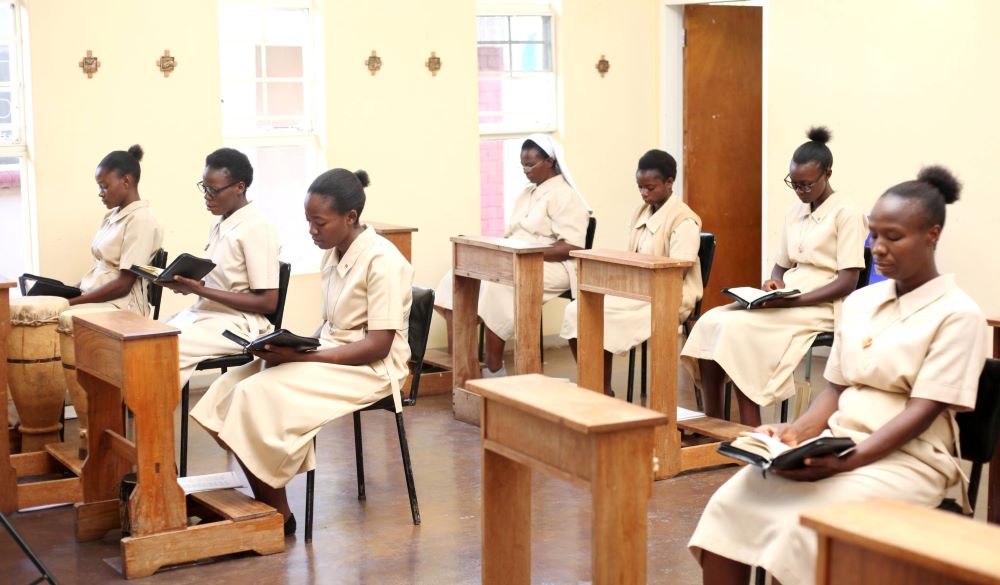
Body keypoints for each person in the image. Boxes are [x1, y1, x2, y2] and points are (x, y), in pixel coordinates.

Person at [689, 166, 987, 585]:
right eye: (874, 235)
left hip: (909, 460)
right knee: (731, 502)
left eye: (893, 237)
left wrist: (845, 463)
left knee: (801, 527)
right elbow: (836, 387)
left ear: (932, 235)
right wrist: (797, 434)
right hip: (840, 444)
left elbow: (921, 412)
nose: (878, 248)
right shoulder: (863, 303)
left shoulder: (958, 315)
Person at [191, 168, 414, 536]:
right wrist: (292, 344)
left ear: (350, 217)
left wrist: (301, 357)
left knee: (255, 393)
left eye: (319, 223)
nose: (312, 231)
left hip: (372, 368)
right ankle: (264, 500)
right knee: (226, 389)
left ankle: (280, 514)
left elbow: (378, 345)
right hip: (335, 351)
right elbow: (332, 324)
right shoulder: (335, 250)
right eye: (308, 221)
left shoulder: (382, 261)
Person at [680, 127, 868, 426]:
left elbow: (848, 282)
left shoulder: (846, 213)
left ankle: (749, 426)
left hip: (821, 306)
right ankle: (714, 423)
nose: (800, 190)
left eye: (806, 184)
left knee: (740, 330)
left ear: (827, 175)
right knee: (711, 321)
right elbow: (780, 267)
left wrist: (792, 303)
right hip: (788, 297)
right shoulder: (794, 212)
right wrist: (774, 285)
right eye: (794, 184)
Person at [434, 133, 591, 376]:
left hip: (552, 264)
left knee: (499, 288)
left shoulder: (565, 196)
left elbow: (571, 247)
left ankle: (494, 367)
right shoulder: (526, 194)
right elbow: (511, 235)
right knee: (455, 278)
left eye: (531, 164)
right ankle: (464, 365)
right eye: (523, 164)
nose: (525, 170)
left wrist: (526, 254)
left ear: (550, 161)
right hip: (516, 258)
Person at [559, 149, 702, 395]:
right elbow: (632, 255)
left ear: (669, 182)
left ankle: (601, 389)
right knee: (579, 309)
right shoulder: (640, 212)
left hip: (668, 295)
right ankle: (595, 383)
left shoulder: (684, 220)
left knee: (600, 315)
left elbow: (677, 273)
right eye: (640, 187)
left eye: (650, 187)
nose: (644, 193)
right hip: (637, 290)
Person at [160, 148, 281, 388]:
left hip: (238, 325)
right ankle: (138, 411)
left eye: (214, 190)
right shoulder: (220, 223)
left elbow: (268, 303)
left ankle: (153, 418)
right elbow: (224, 283)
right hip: (207, 314)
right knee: (143, 339)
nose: (207, 196)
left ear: (240, 187)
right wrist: (186, 285)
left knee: (161, 349)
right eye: (204, 188)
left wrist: (199, 290)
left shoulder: (257, 228)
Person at [66, 144, 163, 314]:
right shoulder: (112, 216)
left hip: (122, 305)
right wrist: (67, 293)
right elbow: (101, 270)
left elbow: (124, 285)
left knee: (58, 316)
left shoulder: (141, 219)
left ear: (126, 181)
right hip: (99, 297)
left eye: (104, 186)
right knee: (51, 307)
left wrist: (73, 302)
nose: (101, 193)